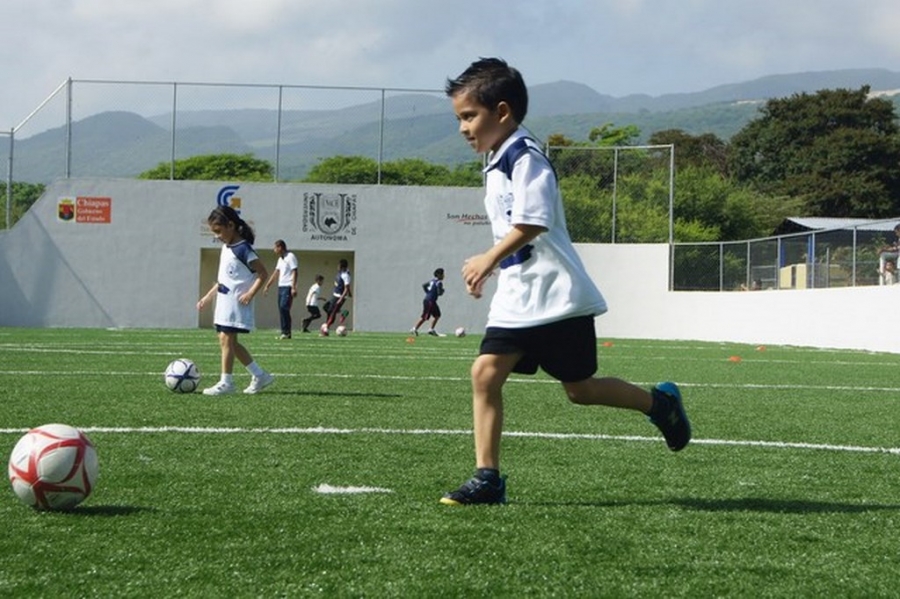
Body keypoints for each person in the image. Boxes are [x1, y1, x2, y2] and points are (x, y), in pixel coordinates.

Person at [439, 58, 691, 506]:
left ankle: (661, 405)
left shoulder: (525, 156)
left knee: (580, 389)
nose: (462, 128)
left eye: (468, 116)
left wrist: (488, 259)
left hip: (555, 296)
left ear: (501, 112)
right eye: (459, 117)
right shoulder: (498, 160)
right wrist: (495, 265)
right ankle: (488, 478)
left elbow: (532, 222)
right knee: (484, 373)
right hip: (518, 297)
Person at [197, 205, 275, 395]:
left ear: (230, 225)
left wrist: (250, 294)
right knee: (228, 341)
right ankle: (260, 375)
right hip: (223, 302)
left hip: (235, 302)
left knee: (227, 340)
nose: (217, 236)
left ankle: (227, 382)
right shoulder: (227, 247)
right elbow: (224, 279)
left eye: (218, 231)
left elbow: (263, 273)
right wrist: (208, 297)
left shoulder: (243, 248)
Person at [263, 239, 298, 339]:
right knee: (281, 309)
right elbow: (276, 273)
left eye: (275, 247)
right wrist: (267, 286)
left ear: (280, 247)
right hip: (281, 287)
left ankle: (287, 332)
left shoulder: (290, 256)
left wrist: (293, 287)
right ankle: (284, 332)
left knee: (284, 307)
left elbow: (295, 271)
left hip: (288, 286)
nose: (274, 250)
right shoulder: (280, 259)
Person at [411, 268, 445, 336]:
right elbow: (439, 293)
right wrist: (442, 291)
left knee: (437, 315)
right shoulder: (439, 282)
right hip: (430, 301)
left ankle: (431, 330)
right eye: (442, 274)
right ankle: (414, 329)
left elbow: (424, 286)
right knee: (425, 317)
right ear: (439, 275)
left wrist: (428, 293)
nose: (444, 276)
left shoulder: (432, 281)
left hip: (430, 300)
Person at [322, 259, 352, 333]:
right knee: (326, 308)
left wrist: (341, 299)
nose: (337, 267)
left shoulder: (345, 275)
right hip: (335, 295)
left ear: (342, 267)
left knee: (333, 312)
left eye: (339, 266)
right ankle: (343, 312)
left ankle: (326, 329)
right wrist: (350, 293)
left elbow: (346, 288)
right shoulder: (341, 273)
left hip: (339, 297)